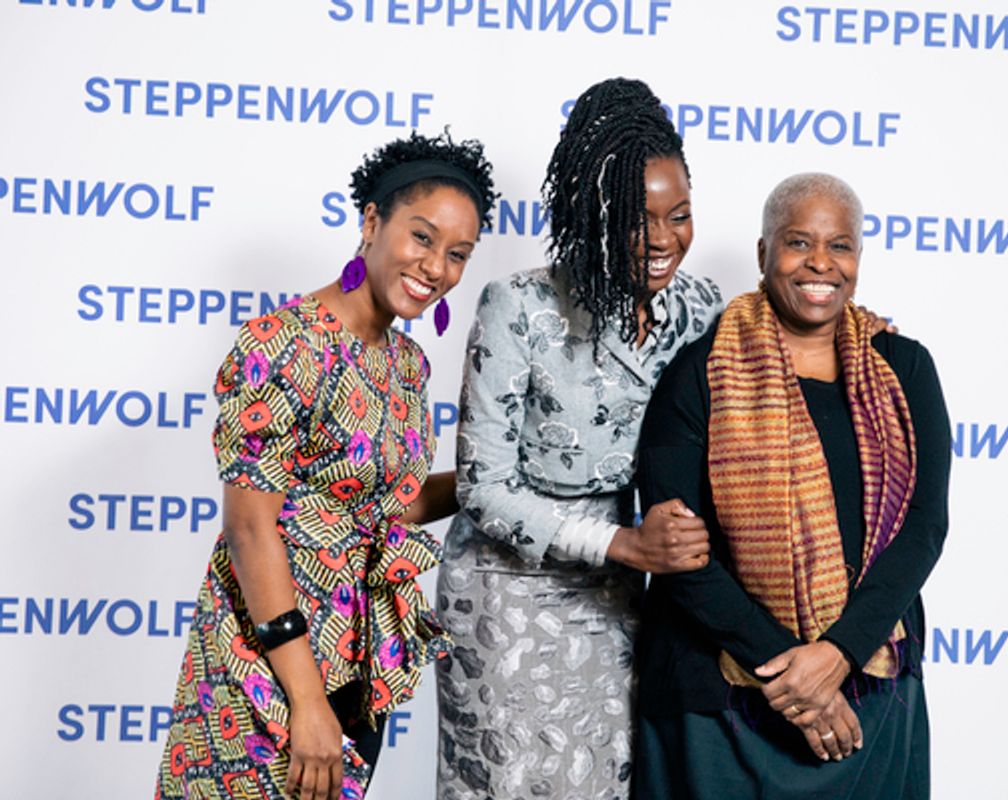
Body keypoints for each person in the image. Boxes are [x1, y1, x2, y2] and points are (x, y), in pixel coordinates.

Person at [155, 131, 497, 800]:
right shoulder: (283, 342)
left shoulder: (406, 364)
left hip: (359, 658)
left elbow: (382, 509)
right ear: (372, 222)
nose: (436, 268)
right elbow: (250, 528)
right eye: (422, 237)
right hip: (270, 665)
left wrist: (492, 480)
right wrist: (307, 701)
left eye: (457, 254)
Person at [434, 77, 719, 800]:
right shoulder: (520, 306)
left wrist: (862, 333)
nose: (663, 240)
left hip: (618, 600)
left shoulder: (703, 309)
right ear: (592, 216)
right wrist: (624, 544)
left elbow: (786, 348)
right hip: (509, 593)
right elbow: (483, 488)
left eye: (679, 215)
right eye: (636, 219)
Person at [633, 173, 951, 799]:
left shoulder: (904, 367)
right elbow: (680, 556)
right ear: (763, 253)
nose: (820, 264)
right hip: (718, 701)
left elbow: (924, 527)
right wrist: (799, 679)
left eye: (840, 246)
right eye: (799, 242)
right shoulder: (697, 374)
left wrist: (838, 655)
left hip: (869, 687)